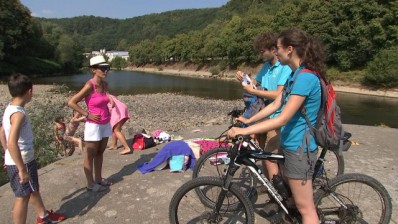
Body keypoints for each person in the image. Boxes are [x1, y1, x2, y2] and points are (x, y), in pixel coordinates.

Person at [229, 28, 323, 223]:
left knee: (305, 208)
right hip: (291, 144)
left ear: (289, 49)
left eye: (278, 48)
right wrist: (248, 121)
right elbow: (276, 104)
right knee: (293, 199)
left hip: (300, 147)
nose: (276, 51)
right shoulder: (294, 75)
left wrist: (244, 130)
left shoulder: (306, 77)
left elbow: (282, 118)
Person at [2, 73, 66, 224]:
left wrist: (7, 155)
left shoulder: (10, 108)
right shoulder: (18, 114)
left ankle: (43, 216)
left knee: (32, 189)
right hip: (22, 161)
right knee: (22, 197)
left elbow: (2, 133)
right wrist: (21, 169)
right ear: (29, 91)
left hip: (17, 159)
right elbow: (12, 142)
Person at [236, 32, 292, 181]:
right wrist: (245, 79)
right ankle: (268, 185)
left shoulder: (285, 67)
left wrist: (252, 91)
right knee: (262, 153)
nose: (261, 55)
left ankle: (277, 191)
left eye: (262, 51)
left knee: (270, 156)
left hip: (277, 116)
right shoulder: (266, 66)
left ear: (273, 49)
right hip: (264, 112)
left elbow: (278, 96)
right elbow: (256, 83)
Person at [68, 55, 113, 192]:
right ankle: (90, 184)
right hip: (93, 125)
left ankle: (98, 179)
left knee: (100, 152)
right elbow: (71, 102)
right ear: (93, 70)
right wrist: (87, 114)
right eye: (103, 68)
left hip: (105, 123)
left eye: (107, 68)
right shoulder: (90, 85)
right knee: (90, 154)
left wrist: (110, 102)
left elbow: (104, 99)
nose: (106, 71)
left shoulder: (105, 85)